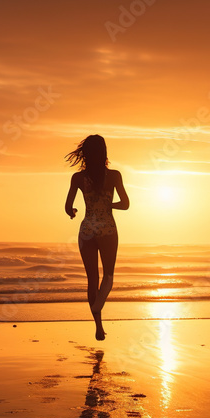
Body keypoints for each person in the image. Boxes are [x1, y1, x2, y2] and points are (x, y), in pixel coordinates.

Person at [64, 134, 129, 341]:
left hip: (87, 230)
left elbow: (67, 207)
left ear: (85, 153)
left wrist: (72, 212)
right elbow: (126, 204)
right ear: (104, 152)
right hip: (108, 229)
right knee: (108, 276)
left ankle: (98, 326)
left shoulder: (78, 178)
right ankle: (98, 305)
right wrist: (110, 205)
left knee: (92, 280)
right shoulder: (114, 176)